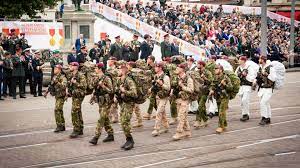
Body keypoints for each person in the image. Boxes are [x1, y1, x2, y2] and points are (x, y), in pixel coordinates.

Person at [89, 63, 115, 145]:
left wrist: (103, 86)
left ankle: (96, 137)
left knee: (101, 119)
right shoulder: (96, 77)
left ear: (100, 69)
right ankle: (110, 134)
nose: (95, 69)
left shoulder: (106, 78)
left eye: (96, 68)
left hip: (107, 102)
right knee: (105, 118)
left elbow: (111, 90)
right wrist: (93, 94)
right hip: (100, 101)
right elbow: (92, 87)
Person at [117, 64, 138, 150]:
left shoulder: (129, 80)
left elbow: (134, 93)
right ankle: (128, 139)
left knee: (125, 121)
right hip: (123, 103)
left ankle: (130, 140)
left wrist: (124, 91)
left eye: (119, 69)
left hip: (129, 104)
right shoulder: (120, 80)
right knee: (122, 122)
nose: (117, 70)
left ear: (124, 70)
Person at [172, 63, 193, 140]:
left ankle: (179, 132)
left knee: (181, 116)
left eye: (178, 68)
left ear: (182, 69)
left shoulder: (188, 79)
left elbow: (191, 90)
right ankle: (187, 131)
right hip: (178, 99)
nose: (176, 69)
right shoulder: (177, 78)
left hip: (185, 100)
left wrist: (183, 86)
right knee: (183, 116)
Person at [209, 64, 232, 134]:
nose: (215, 70)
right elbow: (212, 85)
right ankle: (224, 125)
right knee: (220, 111)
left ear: (221, 70)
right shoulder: (215, 77)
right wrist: (211, 90)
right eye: (215, 69)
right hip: (218, 96)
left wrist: (224, 84)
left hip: (225, 96)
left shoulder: (226, 78)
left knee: (221, 111)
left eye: (216, 69)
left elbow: (230, 88)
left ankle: (220, 126)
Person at [44, 64, 67, 133]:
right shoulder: (54, 76)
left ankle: (59, 126)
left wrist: (57, 82)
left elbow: (64, 86)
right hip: (57, 95)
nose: (54, 70)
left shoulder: (63, 77)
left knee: (57, 109)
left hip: (61, 96)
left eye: (55, 69)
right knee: (59, 110)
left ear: (59, 70)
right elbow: (51, 84)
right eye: (54, 69)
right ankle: (62, 125)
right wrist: (46, 92)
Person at [67, 62, 87, 138]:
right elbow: (70, 84)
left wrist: (75, 83)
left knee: (74, 111)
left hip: (79, 95)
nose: (70, 67)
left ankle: (76, 130)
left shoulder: (81, 75)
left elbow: (84, 86)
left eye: (71, 66)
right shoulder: (72, 75)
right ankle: (80, 128)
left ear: (75, 67)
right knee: (78, 111)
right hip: (74, 94)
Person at [151, 62, 170, 136]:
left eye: (156, 67)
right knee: (162, 112)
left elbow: (168, 88)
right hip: (158, 96)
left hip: (164, 97)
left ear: (160, 68)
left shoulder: (166, 77)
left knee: (159, 112)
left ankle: (156, 129)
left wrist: (161, 84)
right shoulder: (156, 76)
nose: (155, 68)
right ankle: (166, 126)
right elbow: (155, 86)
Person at [256, 55, 276, 126]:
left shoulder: (270, 67)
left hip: (268, 89)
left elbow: (273, 78)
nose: (259, 60)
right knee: (266, 103)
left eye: (259, 59)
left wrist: (266, 74)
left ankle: (264, 118)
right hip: (262, 88)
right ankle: (268, 118)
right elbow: (258, 77)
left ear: (263, 60)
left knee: (263, 102)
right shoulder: (260, 67)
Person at [235, 56, 257, 122]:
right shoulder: (238, 68)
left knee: (245, 100)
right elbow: (235, 75)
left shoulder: (249, 68)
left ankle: (246, 114)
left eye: (239, 60)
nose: (238, 61)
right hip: (241, 86)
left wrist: (246, 75)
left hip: (247, 86)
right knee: (242, 101)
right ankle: (244, 114)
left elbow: (252, 77)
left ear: (243, 61)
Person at [194, 61, 213, 129]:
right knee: (202, 107)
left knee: (200, 106)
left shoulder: (208, 72)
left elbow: (211, 82)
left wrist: (204, 78)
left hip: (205, 91)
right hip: (199, 91)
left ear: (202, 65)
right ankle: (205, 120)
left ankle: (198, 120)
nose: (197, 65)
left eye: (198, 64)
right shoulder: (197, 72)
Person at [127, 61, 143, 128]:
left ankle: (138, 121)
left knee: (134, 107)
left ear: (130, 66)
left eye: (128, 65)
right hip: (139, 91)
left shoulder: (132, 73)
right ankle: (139, 121)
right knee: (136, 107)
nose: (127, 66)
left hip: (134, 91)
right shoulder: (138, 71)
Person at [106, 57, 119, 123]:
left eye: (110, 61)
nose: (108, 62)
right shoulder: (109, 69)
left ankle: (113, 117)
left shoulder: (115, 70)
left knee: (113, 102)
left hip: (114, 87)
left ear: (113, 62)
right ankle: (113, 116)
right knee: (111, 102)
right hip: (109, 87)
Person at [143, 55, 157, 120]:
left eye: (148, 59)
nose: (147, 60)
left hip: (153, 85)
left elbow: (155, 76)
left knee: (152, 99)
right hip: (149, 85)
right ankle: (158, 112)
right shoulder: (148, 67)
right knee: (153, 100)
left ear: (151, 60)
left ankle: (149, 113)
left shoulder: (154, 67)